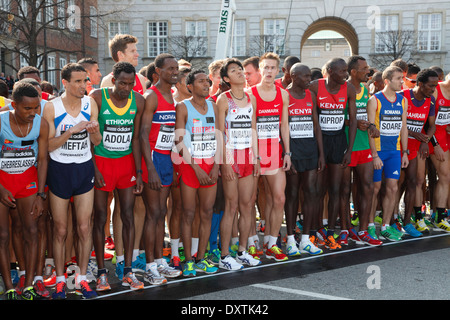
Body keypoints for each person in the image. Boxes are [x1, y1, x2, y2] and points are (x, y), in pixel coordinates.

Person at [43, 63, 101, 299]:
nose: (82, 86)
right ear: (64, 82)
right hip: (59, 169)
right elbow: (47, 145)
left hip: (83, 167)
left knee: (84, 227)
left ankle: (82, 278)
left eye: (84, 81)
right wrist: (71, 131)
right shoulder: (52, 107)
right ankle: (59, 280)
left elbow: (97, 141)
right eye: (77, 81)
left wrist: (93, 131)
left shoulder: (90, 103)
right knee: (60, 229)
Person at [90, 61, 145, 291]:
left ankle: (128, 271)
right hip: (102, 162)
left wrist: (139, 172)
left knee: (127, 215)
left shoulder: (138, 101)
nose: (126, 87)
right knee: (101, 217)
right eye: (122, 83)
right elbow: (90, 137)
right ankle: (102, 272)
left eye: (131, 83)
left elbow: (135, 137)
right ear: (113, 80)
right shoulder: (98, 97)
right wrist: (94, 168)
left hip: (126, 165)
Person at [0, 82, 49, 300]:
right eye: (26, 108)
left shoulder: (42, 123)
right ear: (14, 105)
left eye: (35, 108)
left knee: (32, 231)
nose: (32, 113)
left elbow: (43, 159)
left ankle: (28, 283)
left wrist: (40, 194)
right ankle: (9, 286)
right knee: (2, 235)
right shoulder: (0, 121)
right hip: (2, 181)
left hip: (28, 181)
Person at [216, 58, 262, 270]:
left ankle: (242, 251)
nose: (240, 73)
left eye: (241, 69)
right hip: (231, 156)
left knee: (247, 206)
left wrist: (257, 158)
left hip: (248, 156)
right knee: (231, 206)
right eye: (234, 71)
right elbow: (219, 133)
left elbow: (253, 129)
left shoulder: (251, 98)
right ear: (226, 78)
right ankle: (225, 255)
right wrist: (224, 162)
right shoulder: (223, 100)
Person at [140, 53, 182, 284]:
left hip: (166, 157)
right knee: (153, 214)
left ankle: (159, 261)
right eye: (170, 69)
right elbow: (143, 135)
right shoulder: (151, 96)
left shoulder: (172, 96)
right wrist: (150, 168)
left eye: (177, 68)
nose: (175, 72)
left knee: (161, 213)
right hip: (153, 160)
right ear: (158, 72)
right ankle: (149, 266)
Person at [174, 70, 220, 277]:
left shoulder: (214, 106)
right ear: (189, 85)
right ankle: (188, 260)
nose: (206, 84)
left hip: (211, 165)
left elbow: (220, 136)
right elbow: (179, 141)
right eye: (201, 81)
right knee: (188, 213)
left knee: (207, 213)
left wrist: (217, 165)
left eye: (207, 81)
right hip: (190, 166)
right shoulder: (182, 107)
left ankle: (201, 258)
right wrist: (196, 168)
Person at [309, 58, 357, 251]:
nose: (346, 74)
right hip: (319, 141)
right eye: (342, 71)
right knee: (318, 190)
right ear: (329, 71)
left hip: (338, 141)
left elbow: (353, 121)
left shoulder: (349, 89)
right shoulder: (314, 87)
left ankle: (330, 232)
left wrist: (349, 150)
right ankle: (315, 230)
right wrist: (319, 151)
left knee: (335, 189)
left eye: (346, 71)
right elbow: (313, 120)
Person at [249, 52, 291, 262]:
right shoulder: (251, 94)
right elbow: (252, 127)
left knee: (279, 198)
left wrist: (288, 153)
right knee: (248, 201)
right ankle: (251, 243)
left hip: (275, 152)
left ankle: (272, 242)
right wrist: (255, 157)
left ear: (278, 70)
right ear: (259, 70)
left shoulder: (282, 94)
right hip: (254, 154)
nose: (268, 71)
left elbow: (284, 125)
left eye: (272, 68)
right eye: (265, 68)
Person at [340, 56, 382, 246]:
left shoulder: (366, 89)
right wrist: (354, 123)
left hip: (364, 144)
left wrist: (371, 126)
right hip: (346, 146)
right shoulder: (342, 89)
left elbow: (366, 116)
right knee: (344, 189)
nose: (368, 71)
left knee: (367, 187)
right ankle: (345, 229)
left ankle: (363, 230)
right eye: (364, 68)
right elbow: (334, 118)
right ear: (353, 72)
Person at [284, 63, 325, 256]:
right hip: (293, 152)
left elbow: (316, 126)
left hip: (310, 150)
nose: (309, 80)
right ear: (293, 76)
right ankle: (291, 239)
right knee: (291, 194)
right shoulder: (284, 95)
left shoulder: (310, 95)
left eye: (310, 76)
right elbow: (281, 127)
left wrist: (321, 154)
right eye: (305, 76)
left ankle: (307, 239)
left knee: (311, 193)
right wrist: (287, 154)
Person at [367, 66, 409, 242]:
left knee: (393, 187)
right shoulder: (374, 100)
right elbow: (370, 130)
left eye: (402, 78)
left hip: (395, 151)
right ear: (387, 81)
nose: (402, 82)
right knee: (374, 190)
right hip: (378, 151)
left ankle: (385, 226)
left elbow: (403, 128)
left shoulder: (402, 100)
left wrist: (405, 152)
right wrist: (375, 155)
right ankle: (369, 226)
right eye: (398, 78)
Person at [397, 68, 438, 237]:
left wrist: (425, 140)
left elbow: (432, 125)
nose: (433, 89)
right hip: (399, 145)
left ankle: (408, 221)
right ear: (420, 84)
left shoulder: (431, 100)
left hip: (417, 146)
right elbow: (395, 122)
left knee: (415, 182)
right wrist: (416, 135)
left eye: (435, 86)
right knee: (396, 184)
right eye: (430, 86)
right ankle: (392, 220)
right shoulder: (402, 96)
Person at [429, 71, 450, 231]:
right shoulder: (437, 90)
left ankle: (440, 215)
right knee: (443, 176)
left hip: (444, 136)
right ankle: (438, 216)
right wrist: (435, 144)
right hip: (431, 137)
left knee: (445, 177)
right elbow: (426, 119)